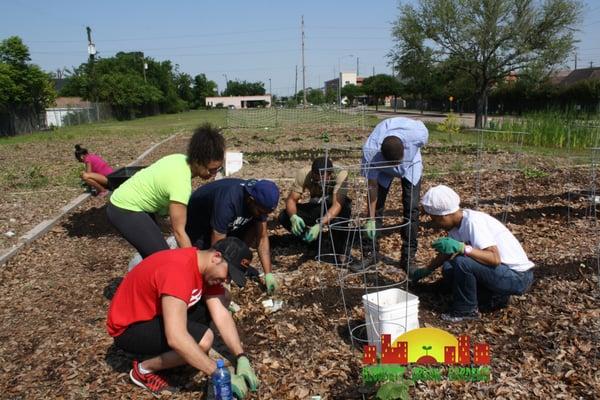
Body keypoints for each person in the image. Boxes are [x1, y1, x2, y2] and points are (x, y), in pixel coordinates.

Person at [106, 237, 259, 398]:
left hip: (155, 315)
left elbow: (221, 313)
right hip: (129, 328)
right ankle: (143, 370)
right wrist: (218, 373)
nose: (227, 280)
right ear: (216, 257)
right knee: (204, 341)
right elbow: (176, 337)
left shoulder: (202, 265)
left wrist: (241, 356)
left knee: (223, 297)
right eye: (228, 273)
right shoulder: (179, 271)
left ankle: (177, 355)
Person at [411, 185, 535, 322]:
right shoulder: (456, 225)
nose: (435, 224)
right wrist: (426, 270)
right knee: (449, 267)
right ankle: (492, 297)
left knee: (462, 262)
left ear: (445, 214)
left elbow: (494, 259)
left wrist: (463, 248)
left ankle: (465, 311)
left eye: (435, 219)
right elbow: (446, 254)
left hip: (518, 277)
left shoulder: (473, 222)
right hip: (501, 273)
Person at [107, 123, 225, 259]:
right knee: (163, 259)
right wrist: (196, 263)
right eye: (211, 169)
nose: (214, 173)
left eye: (218, 168)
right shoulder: (180, 183)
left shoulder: (179, 159)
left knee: (154, 255)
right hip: (124, 209)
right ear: (197, 161)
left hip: (134, 204)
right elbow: (179, 232)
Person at [185, 178, 280, 294]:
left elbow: (262, 237)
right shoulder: (228, 202)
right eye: (261, 212)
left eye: (266, 213)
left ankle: (233, 263)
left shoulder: (257, 204)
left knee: (256, 225)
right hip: (199, 225)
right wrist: (222, 286)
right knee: (204, 264)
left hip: (228, 222)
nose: (263, 216)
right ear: (251, 200)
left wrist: (268, 274)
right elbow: (218, 247)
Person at [361, 117, 428, 268]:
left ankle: (408, 257)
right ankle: (370, 253)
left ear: (405, 148)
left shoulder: (418, 134)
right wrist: (370, 219)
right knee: (376, 206)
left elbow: (420, 127)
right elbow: (372, 187)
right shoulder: (370, 152)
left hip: (411, 165)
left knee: (411, 208)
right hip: (382, 167)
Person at [278, 156, 351, 256]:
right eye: (317, 180)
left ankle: (339, 250)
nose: (320, 183)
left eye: (324, 180)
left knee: (340, 219)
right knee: (284, 216)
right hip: (316, 205)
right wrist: (293, 217)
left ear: (330, 174)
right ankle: (312, 240)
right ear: (312, 174)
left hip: (334, 205)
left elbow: (337, 205)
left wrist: (320, 224)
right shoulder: (304, 173)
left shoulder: (341, 175)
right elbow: (291, 199)